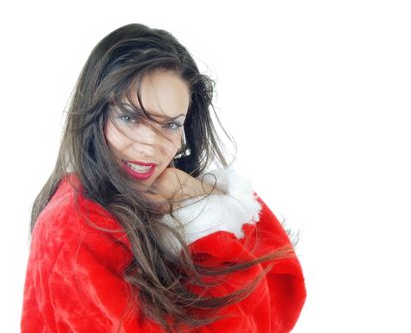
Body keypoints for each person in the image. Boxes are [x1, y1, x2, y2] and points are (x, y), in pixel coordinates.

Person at [21, 23, 306, 332]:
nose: (150, 146)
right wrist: (210, 217)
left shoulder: (162, 198)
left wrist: (201, 198)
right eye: (130, 118)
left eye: (170, 125)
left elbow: (282, 293)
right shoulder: (74, 228)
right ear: (95, 111)